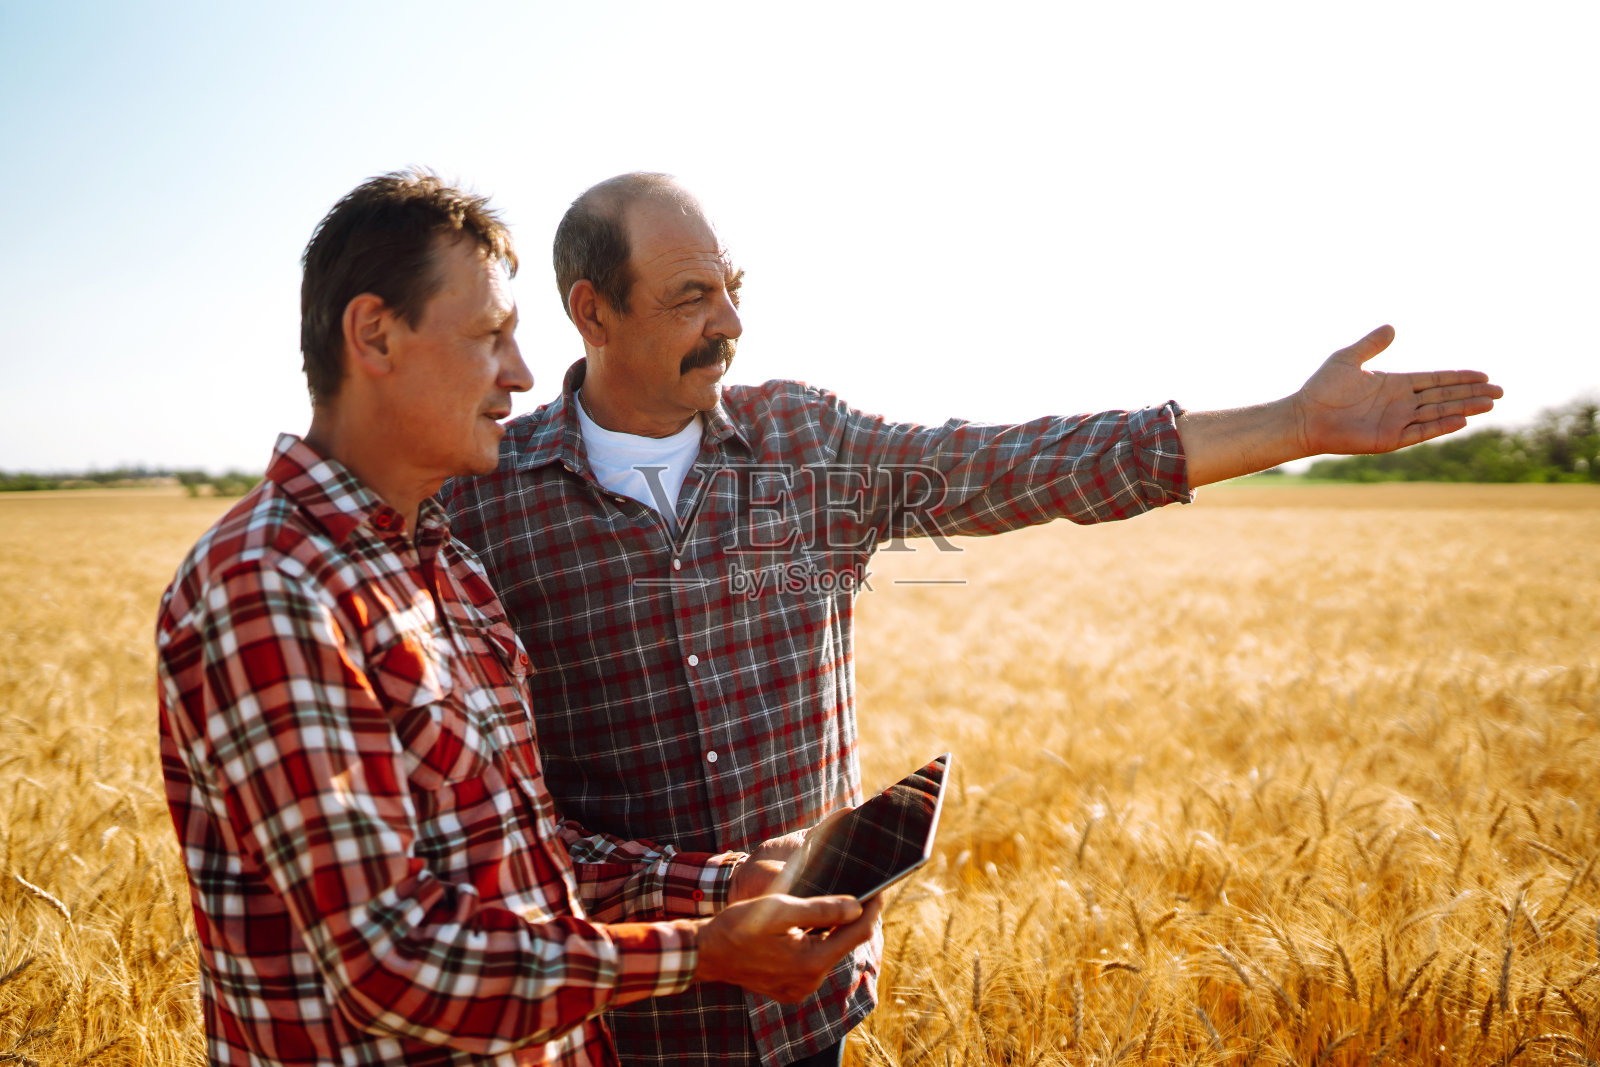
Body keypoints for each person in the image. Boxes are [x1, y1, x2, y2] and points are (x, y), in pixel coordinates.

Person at [441, 172, 1503, 1066]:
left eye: (732, 288)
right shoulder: (482, 504)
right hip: (621, 1023)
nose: (730, 321)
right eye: (689, 297)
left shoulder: (803, 444)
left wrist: (1290, 423)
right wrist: (710, 898)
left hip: (807, 1006)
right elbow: (478, 806)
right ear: (592, 310)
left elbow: (1024, 464)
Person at [155, 170, 880, 1067]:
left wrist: (725, 886)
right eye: (489, 336)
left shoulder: (446, 566)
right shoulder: (269, 588)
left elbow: (528, 857)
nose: (523, 374)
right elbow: (393, 958)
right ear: (375, 335)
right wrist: (703, 948)